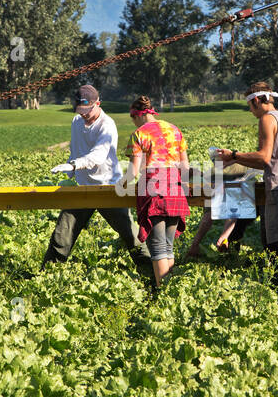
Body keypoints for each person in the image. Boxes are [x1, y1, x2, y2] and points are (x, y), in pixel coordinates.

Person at [43, 84, 152, 270]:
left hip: (107, 188)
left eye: (87, 109)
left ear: (98, 103)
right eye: (79, 109)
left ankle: (152, 275)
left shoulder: (107, 125)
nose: (83, 113)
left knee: (131, 237)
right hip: (83, 187)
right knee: (62, 235)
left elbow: (98, 155)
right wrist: (71, 170)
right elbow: (76, 148)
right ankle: (47, 275)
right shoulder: (76, 121)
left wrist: (74, 164)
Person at [218, 82, 278, 308]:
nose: (250, 110)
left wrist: (234, 155)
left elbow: (264, 157)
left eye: (249, 105)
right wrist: (239, 159)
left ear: (256, 100)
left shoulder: (266, 119)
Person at [122, 95, 190, 289]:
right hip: (175, 188)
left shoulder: (140, 134)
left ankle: (162, 292)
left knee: (158, 247)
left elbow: (134, 171)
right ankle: (171, 292)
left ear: (137, 115)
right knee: (168, 246)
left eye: (132, 118)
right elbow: (184, 166)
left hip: (154, 190)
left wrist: (121, 183)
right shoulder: (174, 130)